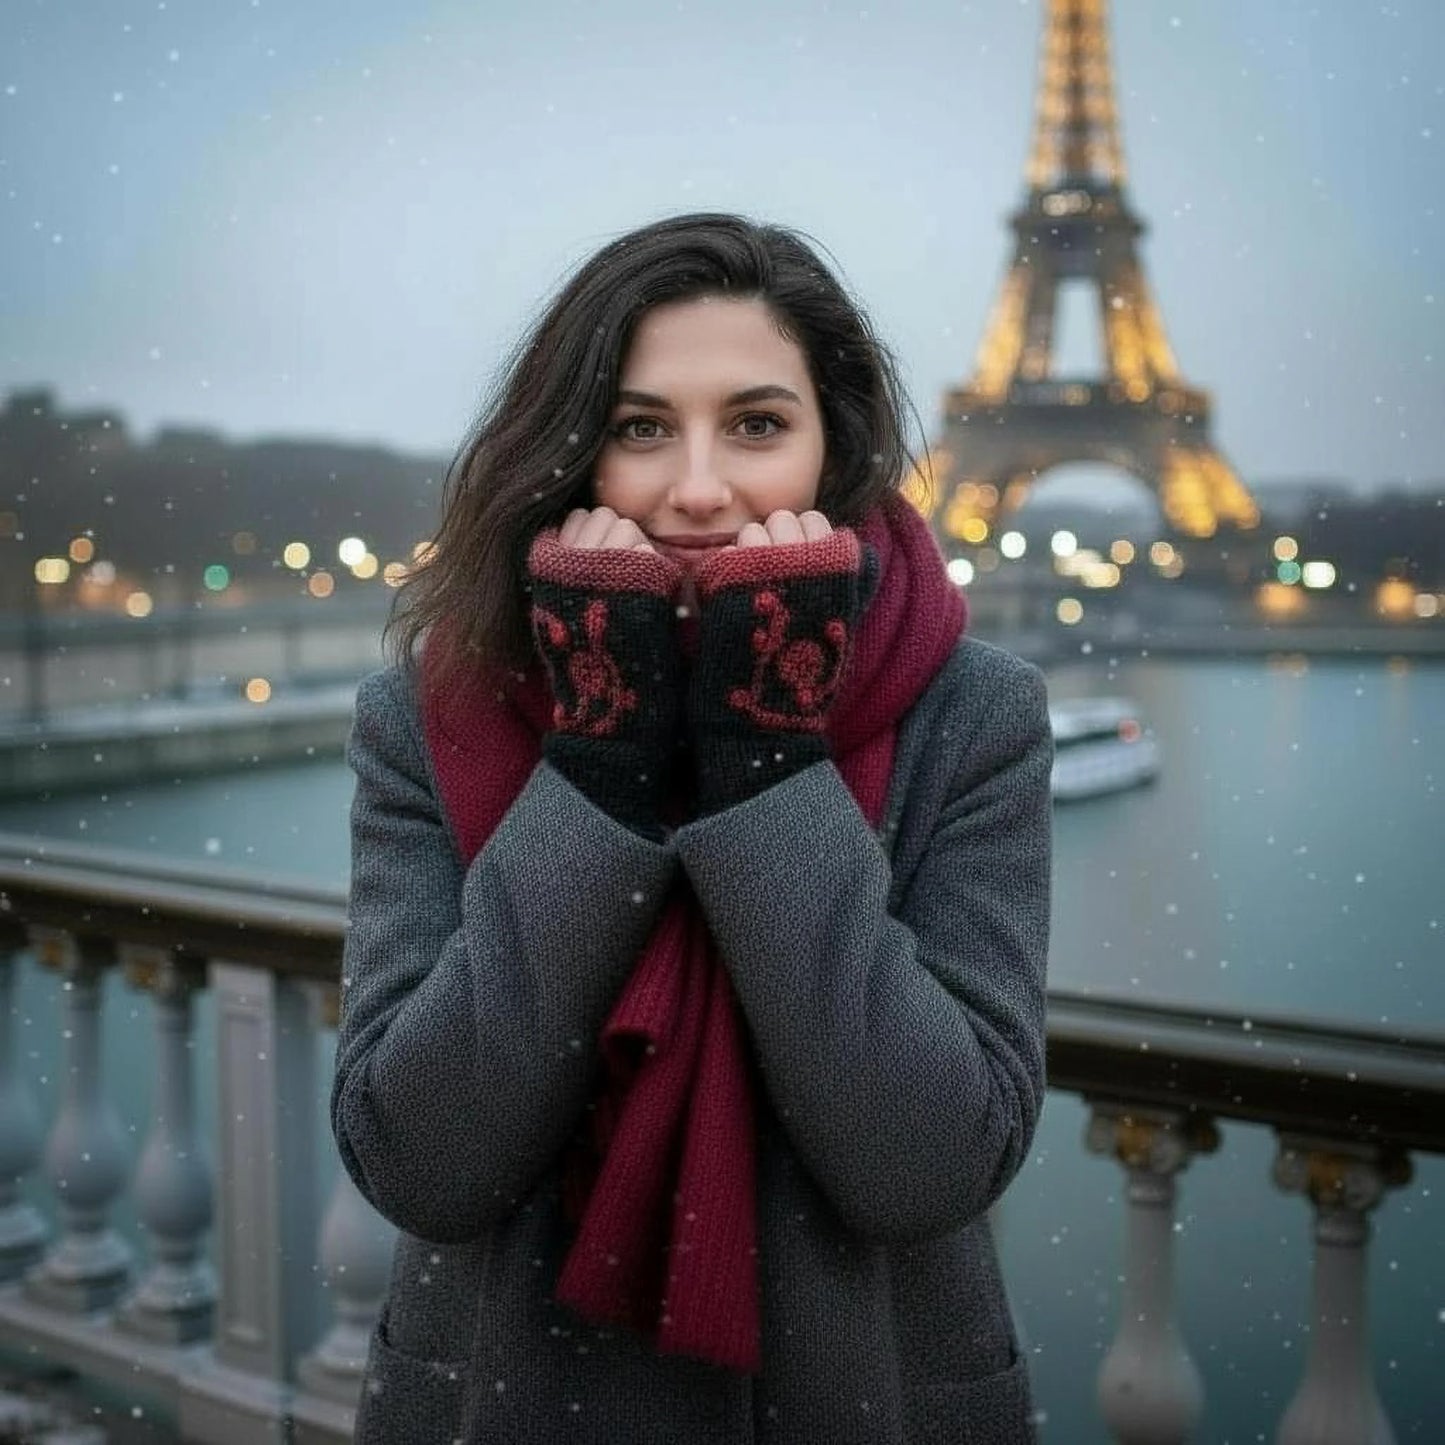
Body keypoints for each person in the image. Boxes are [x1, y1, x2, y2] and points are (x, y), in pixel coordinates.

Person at [330, 212, 1053, 1444]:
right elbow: (425, 1159)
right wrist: (598, 768)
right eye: (639, 427)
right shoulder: (426, 716)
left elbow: (928, 1160)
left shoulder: (969, 714)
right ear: (568, 452)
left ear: (836, 447)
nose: (700, 489)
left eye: (758, 424)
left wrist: (765, 760)